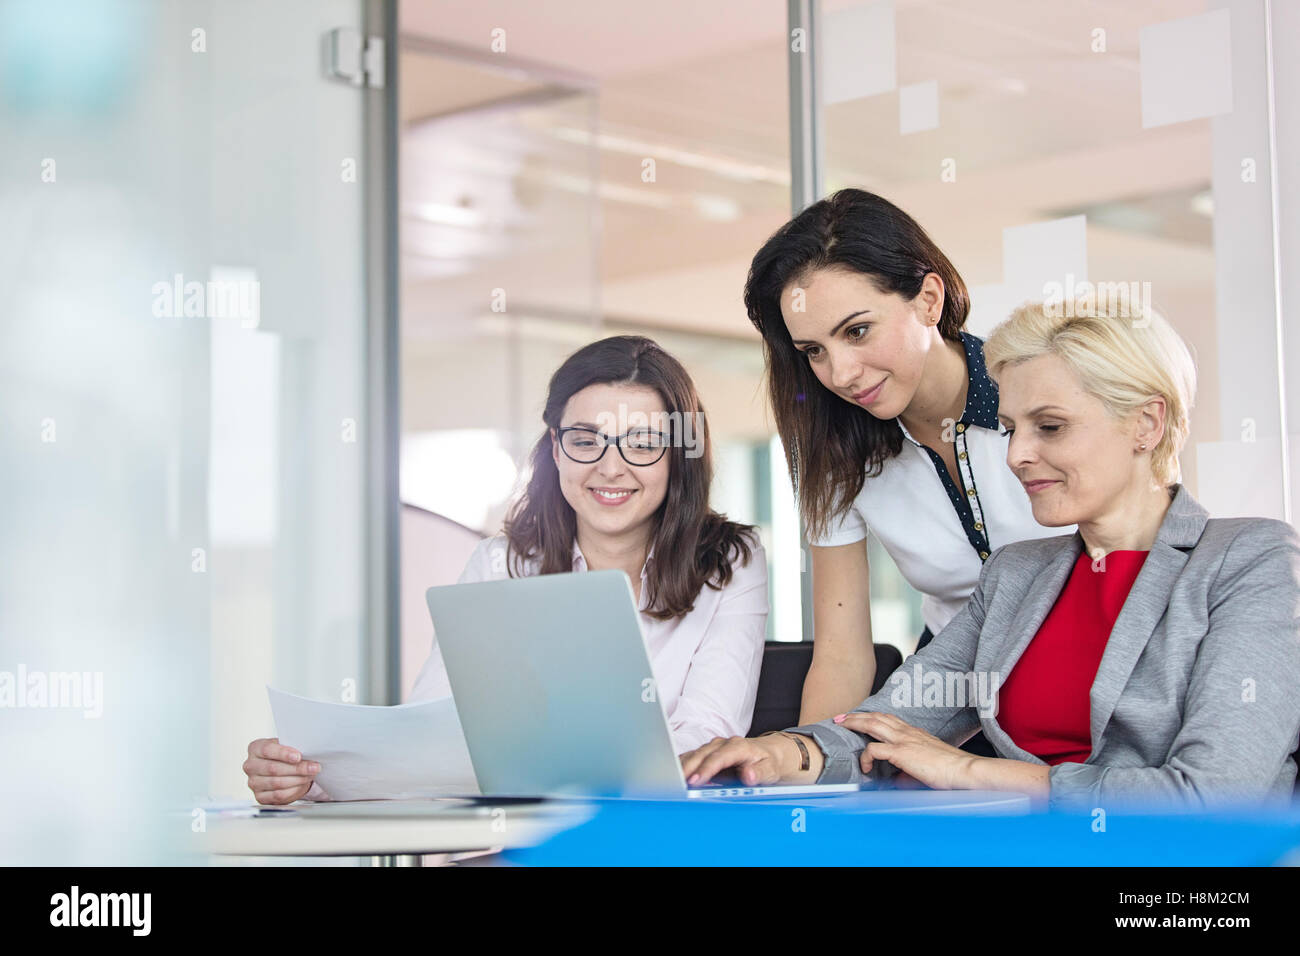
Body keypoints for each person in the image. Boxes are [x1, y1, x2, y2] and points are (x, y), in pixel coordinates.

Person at [681, 300, 1300, 809]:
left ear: (1147, 423)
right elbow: (892, 723)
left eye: (1049, 427)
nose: (1017, 455)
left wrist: (968, 773)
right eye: (1010, 428)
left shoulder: (1249, 559)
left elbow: (1217, 797)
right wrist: (779, 753)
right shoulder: (1018, 574)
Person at [245, 335, 769, 804]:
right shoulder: (503, 562)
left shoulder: (732, 561)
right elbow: (434, 724)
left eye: (643, 441)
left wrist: (524, 766)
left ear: (678, 454)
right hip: (523, 841)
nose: (611, 467)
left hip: (658, 841)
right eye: (585, 440)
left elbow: (705, 741)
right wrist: (311, 778)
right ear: (555, 452)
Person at [743, 188, 1067, 752]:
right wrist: (809, 773)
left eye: (857, 330)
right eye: (812, 351)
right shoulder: (833, 448)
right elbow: (843, 655)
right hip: (954, 700)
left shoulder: (1044, 398)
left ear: (928, 300)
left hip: (1085, 684)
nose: (841, 373)